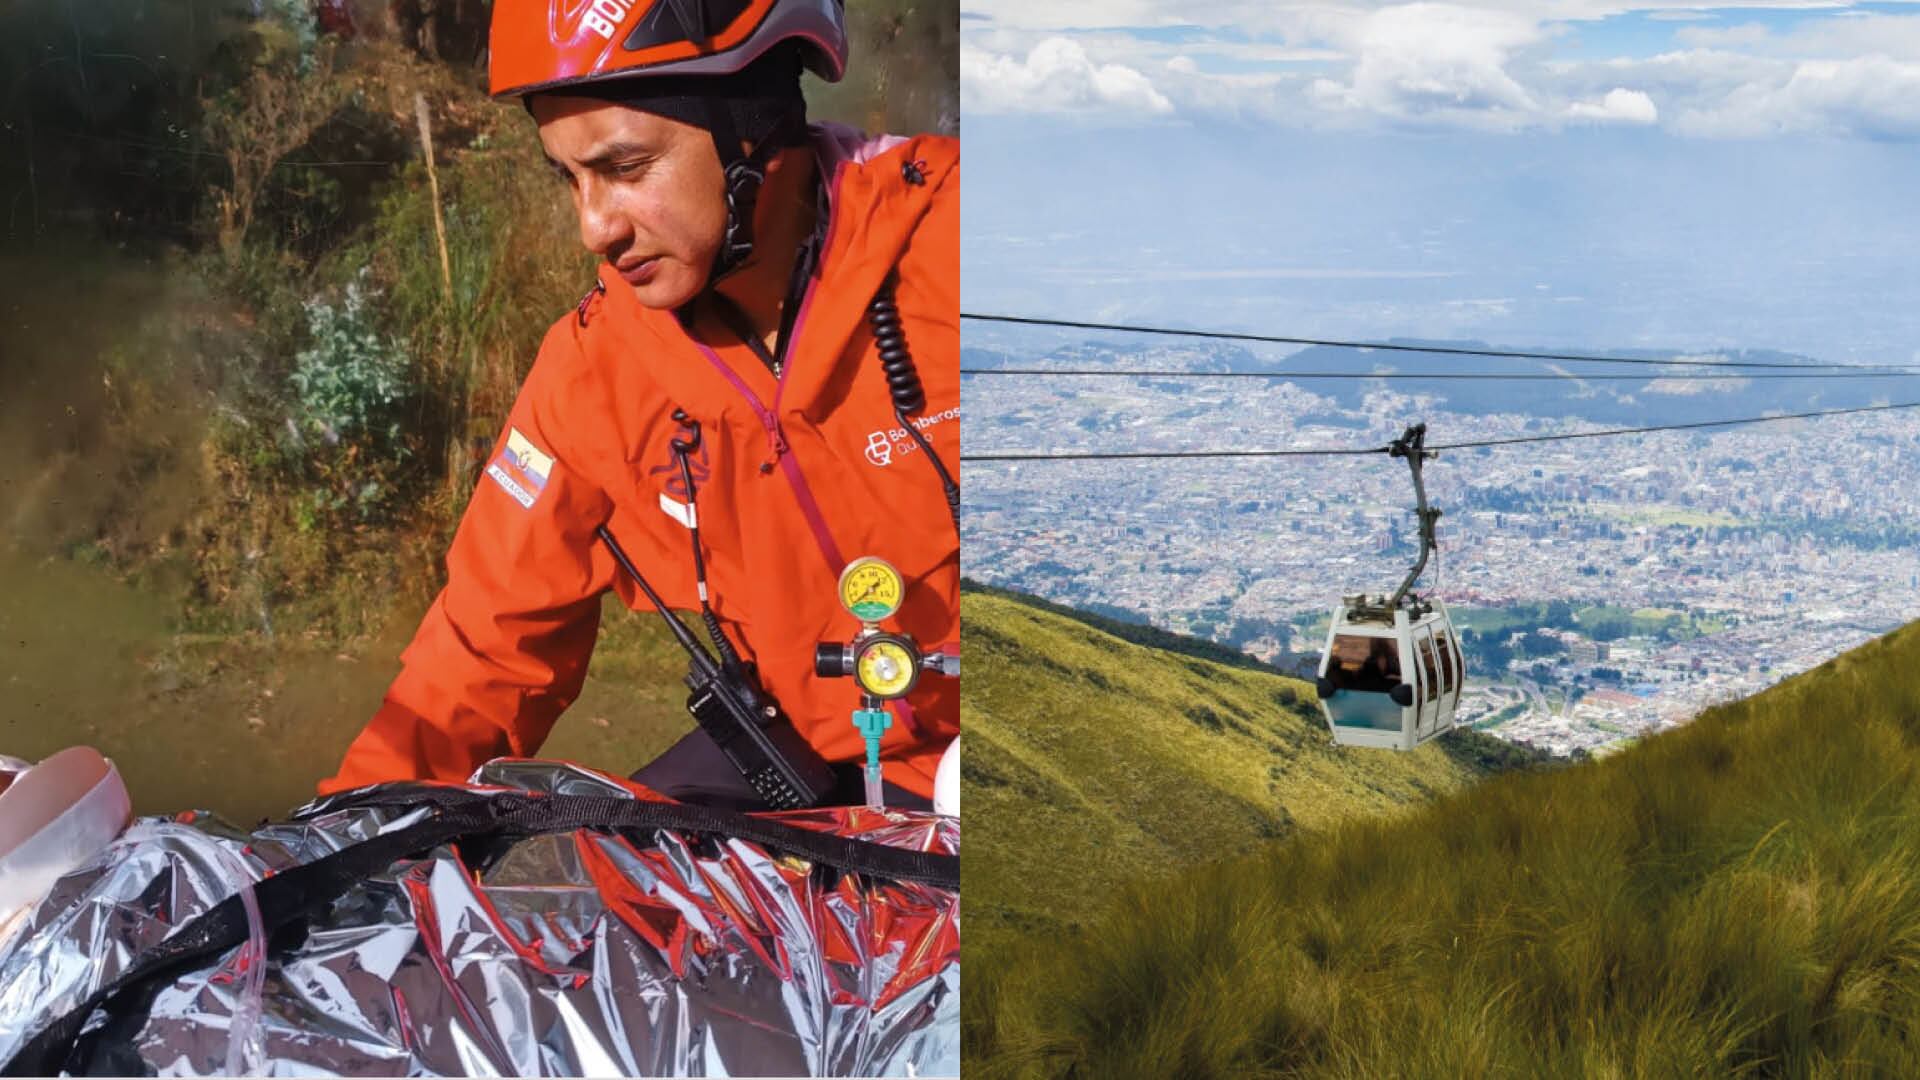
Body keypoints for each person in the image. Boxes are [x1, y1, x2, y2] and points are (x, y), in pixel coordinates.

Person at [317, 0, 958, 809]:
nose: (593, 229)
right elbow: (483, 652)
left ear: (752, 119)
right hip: (799, 762)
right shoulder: (594, 367)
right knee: (579, 884)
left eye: (624, 169)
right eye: (570, 177)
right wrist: (335, 840)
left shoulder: (953, 240)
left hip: (985, 773)